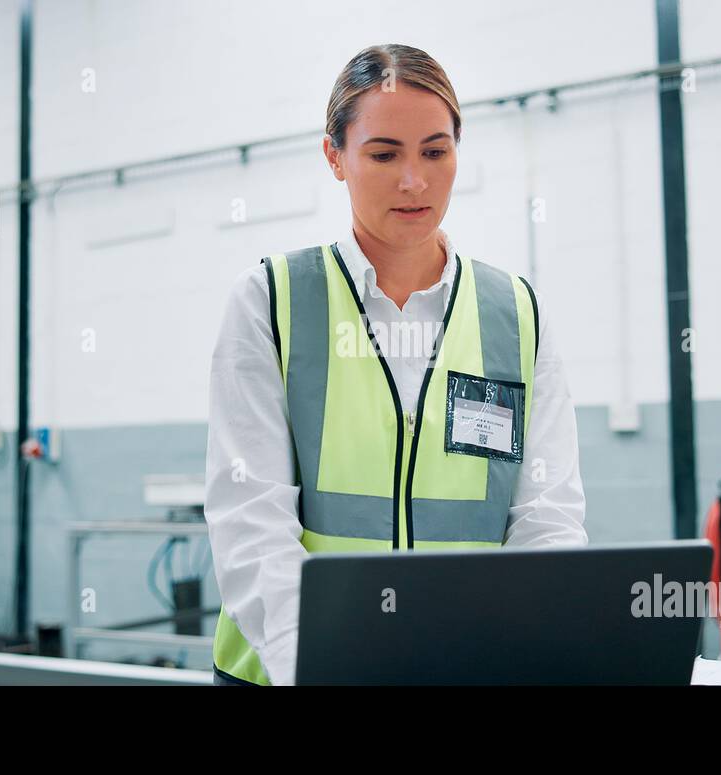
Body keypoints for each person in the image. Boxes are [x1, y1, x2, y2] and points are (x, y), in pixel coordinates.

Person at [205, 44, 587, 686]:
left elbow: (546, 517)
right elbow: (252, 519)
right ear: (335, 157)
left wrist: (533, 649)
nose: (414, 180)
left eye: (435, 151)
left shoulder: (516, 312)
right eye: (384, 154)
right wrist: (319, 667)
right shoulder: (272, 301)